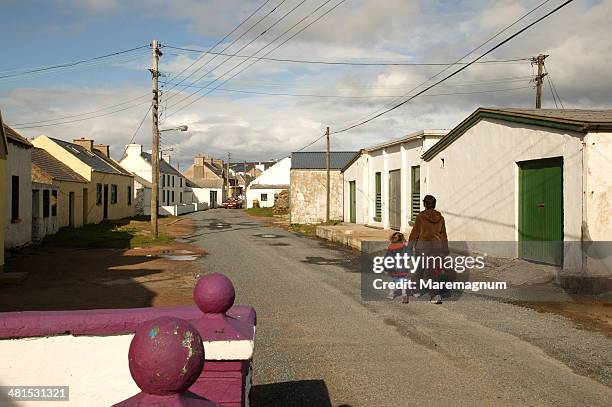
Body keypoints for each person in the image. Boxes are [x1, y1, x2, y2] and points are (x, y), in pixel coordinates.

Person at [408, 195, 448, 304]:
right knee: (433, 272)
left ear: (424, 204)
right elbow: (444, 235)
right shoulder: (441, 218)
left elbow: (415, 233)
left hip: (422, 247)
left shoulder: (421, 216)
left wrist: (409, 248)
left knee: (419, 269)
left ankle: (415, 289)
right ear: (434, 204)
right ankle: (435, 295)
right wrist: (445, 250)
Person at [384, 232, 410, 304]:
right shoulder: (404, 247)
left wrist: (386, 268)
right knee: (403, 281)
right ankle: (404, 294)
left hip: (392, 267)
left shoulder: (390, 247)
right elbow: (408, 256)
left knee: (392, 280)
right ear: (402, 239)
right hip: (402, 267)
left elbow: (387, 258)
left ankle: (391, 294)